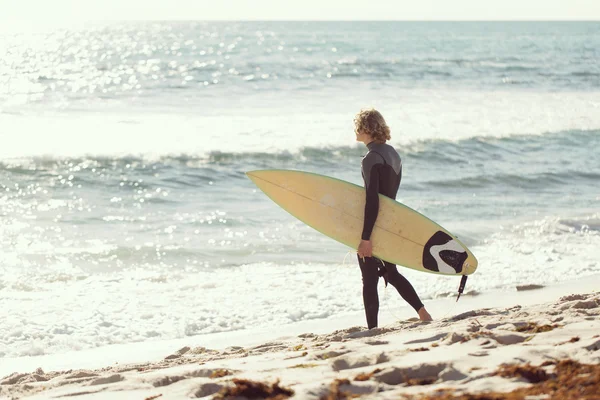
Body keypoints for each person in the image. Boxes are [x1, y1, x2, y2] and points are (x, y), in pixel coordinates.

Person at [354, 108, 432, 329]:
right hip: (390, 222)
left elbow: (372, 200)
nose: (355, 130)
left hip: (374, 224)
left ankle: (373, 329)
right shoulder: (392, 153)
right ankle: (423, 313)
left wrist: (366, 237)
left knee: (369, 280)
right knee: (391, 272)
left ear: (367, 129)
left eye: (358, 126)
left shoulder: (370, 159)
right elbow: (388, 197)